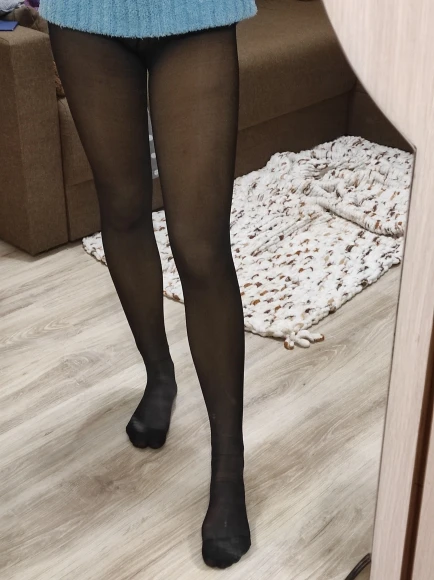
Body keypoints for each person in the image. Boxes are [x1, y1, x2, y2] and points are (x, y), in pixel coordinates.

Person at [38, 0, 258, 569]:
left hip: (195, 11)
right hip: (86, 15)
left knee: (200, 245)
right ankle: (159, 375)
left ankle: (228, 468)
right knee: (123, 209)